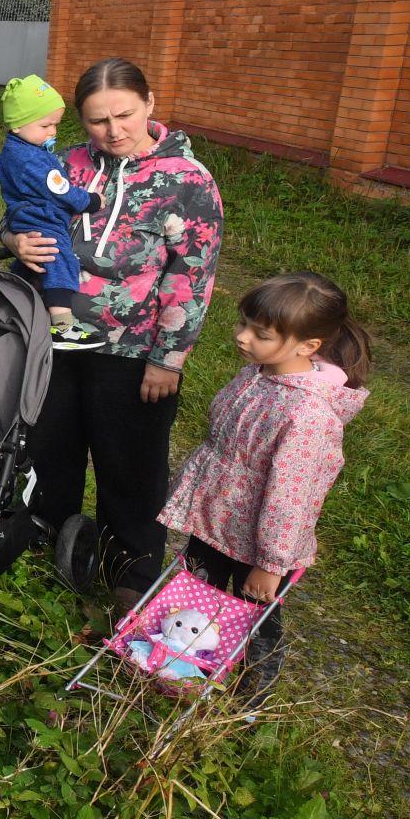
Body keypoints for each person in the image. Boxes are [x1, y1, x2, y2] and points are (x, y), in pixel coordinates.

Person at [3, 58, 224, 608]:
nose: (113, 131)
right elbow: (22, 209)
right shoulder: (67, 162)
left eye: (124, 114)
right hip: (49, 338)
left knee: (131, 462)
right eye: (97, 121)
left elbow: (190, 277)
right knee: (48, 447)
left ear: (149, 104)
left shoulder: (186, 183)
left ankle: (132, 568)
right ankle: (50, 543)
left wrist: (167, 359)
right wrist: (11, 240)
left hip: (130, 351)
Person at [158, 272, 370, 703]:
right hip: (218, 524)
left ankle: (251, 701)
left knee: (254, 619)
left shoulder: (307, 415)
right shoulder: (257, 376)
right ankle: (183, 670)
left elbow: (292, 498)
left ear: (307, 346)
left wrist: (271, 564)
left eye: (261, 333)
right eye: (243, 324)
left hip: (261, 544)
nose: (242, 337)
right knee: (195, 600)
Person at [0, 74, 105, 349]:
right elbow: (62, 191)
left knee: (31, 262)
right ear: (19, 125)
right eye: (46, 125)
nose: (53, 132)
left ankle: (7, 304)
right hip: (44, 216)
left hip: (26, 214)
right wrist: (91, 201)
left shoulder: (19, 149)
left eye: (56, 124)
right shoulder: (30, 159)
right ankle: (63, 325)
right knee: (58, 259)